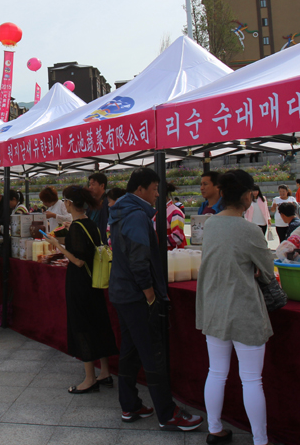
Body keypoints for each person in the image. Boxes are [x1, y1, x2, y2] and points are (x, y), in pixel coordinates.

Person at [108, 167, 203, 431]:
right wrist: (149, 294)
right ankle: (168, 413)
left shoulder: (121, 210)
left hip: (121, 291)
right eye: (155, 189)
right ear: (140, 190)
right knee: (153, 352)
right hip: (136, 295)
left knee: (130, 349)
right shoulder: (137, 215)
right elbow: (139, 259)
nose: (158, 194)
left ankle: (130, 404)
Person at [196, 169, 274, 445]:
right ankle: (260, 439)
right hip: (244, 310)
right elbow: (267, 270)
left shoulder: (211, 224)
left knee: (216, 372)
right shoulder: (249, 229)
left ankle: (215, 428)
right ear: (246, 196)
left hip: (214, 308)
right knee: (251, 380)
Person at [41, 186, 117, 393]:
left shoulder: (77, 227)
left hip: (80, 283)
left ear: (68, 203)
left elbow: (78, 260)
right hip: (95, 282)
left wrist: (57, 244)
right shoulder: (90, 224)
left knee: (82, 326)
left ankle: (90, 378)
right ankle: (105, 373)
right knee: (98, 323)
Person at [86, 172, 109, 246]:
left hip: (104, 245)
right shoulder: (91, 204)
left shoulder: (108, 203)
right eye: (90, 185)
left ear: (102, 186)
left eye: (93, 184)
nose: (90, 187)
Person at [163, 183, 186, 250]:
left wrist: (155, 241)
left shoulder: (175, 212)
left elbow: (177, 238)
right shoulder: (156, 211)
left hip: (172, 257)